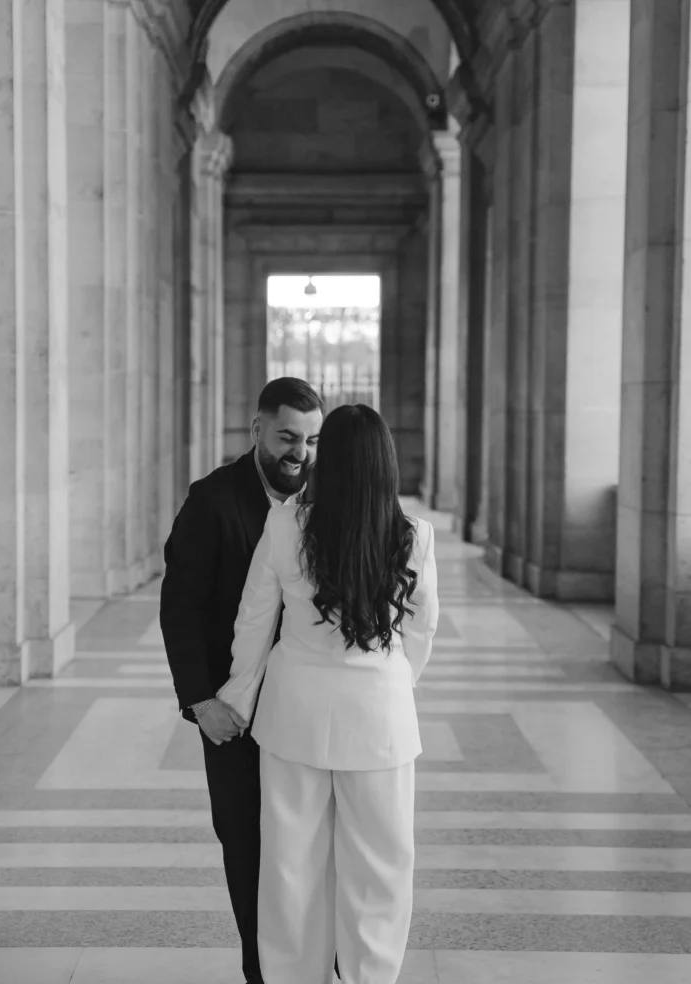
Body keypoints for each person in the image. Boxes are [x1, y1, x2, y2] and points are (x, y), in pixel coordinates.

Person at [217, 403, 439, 984]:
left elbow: (253, 620)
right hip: (381, 724)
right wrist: (389, 686)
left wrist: (239, 697)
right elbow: (420, 630)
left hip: (294, 718)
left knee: (291, 866)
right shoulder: (414, 536)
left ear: (328, 458)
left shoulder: (288, 523)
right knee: (381, 869)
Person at [160, 378, 324, 984]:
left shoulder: (326, 499)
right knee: (248, 847)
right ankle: (263, 974)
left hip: (307, 711)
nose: (298, 452)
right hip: (236, 714)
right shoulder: (211, 500)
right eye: (286, 436)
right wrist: (202, 703)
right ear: (257, 430)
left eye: (310, 440)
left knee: (310, 848)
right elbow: (180, 608)